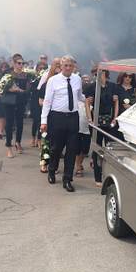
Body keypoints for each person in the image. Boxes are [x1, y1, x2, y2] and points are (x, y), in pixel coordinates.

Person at [40, 55, 85, 192]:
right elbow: (47, 101)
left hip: (73, 117)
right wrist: (43, 121)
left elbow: (78, 96)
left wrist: (87, 99)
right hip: (57, 117)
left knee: (71, 149)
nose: (68, 68)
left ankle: (67, 179)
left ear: (73, 67)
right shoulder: (53, 81)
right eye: (65, 65)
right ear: (61, 66)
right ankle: (52, 171)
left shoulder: (77, 79)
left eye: (70, 66)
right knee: (56, 148)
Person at [86, 67, 118, 187]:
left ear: (106, 74)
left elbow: (116, 102)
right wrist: (90, 119)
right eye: (96, 74)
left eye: (101, 73)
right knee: (97, 149)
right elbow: (87, 103)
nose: (98, 76)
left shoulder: (112, 86)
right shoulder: (91, 87)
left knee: (110, 149)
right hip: (96, 121)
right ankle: (98, 177)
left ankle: (109, 174)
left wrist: (115, 118)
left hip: (109, 121)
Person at [2, 54, 30, 158]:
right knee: (9, 123)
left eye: (22, 63)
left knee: (20, 123)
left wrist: (23, 91)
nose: (21, 65)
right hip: (9, 101)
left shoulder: (25, 74)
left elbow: (28, 88)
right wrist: (10, 89)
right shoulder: (7, 73)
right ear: (14, 63)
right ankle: (8, 146)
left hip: (21, 100)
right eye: (19, 63)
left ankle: (18, 142)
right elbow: (0, 86)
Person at [37, 58, 62, 173]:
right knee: (47, 141)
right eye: (56, 64)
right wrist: (50, 105)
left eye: (60, 64)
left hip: (60, 117)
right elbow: (40, 101)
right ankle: (44, 163)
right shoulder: (46, 83)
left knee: (57, 142)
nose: (58, 66)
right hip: (49, 116)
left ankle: (53, 164)